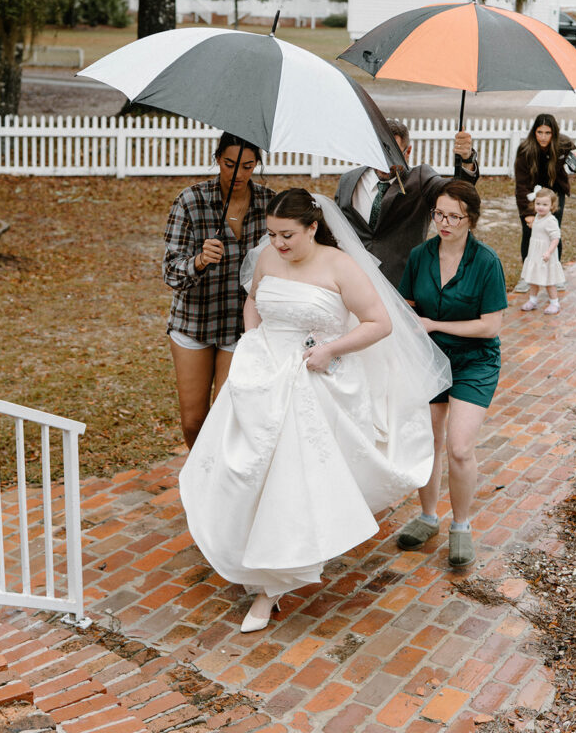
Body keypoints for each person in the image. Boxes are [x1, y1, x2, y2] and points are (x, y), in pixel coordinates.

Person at [179, 189, 451, 632]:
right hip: (261, 375)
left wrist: (330, 350)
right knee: (244, 471)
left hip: (315, 381)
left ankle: (271, 588)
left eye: (287, 235)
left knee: (289, 481)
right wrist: (253, 339)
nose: (278, 244)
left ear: (312, 228)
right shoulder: (268, 257)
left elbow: (379, 324)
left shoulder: (341, 266)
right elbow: (254, 299)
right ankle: (245, 549)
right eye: (271, 234)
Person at [396, 180, 507, 568]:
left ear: (470, 219)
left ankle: (461, 526)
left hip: (474, 360)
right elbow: (409, 305)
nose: (444, 222)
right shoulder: (420, 255)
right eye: (438, 214)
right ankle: (428, 517)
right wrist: (414, 323)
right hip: (429, 358)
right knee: (428, 439)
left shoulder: (487, 262)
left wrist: (434, 325)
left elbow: (490, 326)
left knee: (459, 446)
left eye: (453, 216)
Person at [162, 132, 273, 448]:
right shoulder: (190, 201)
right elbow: (170, 271)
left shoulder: (269, 203)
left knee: (227, 418)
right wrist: (198, 261)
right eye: (229, 164)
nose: (238, 175)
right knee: (194, 422)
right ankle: (202, 477)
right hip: (194, 323)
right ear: (217, 159)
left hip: (242, 327)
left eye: (248, 167)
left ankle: (218, 488)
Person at [335, 120, 479, 287]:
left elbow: (457, 191)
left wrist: (467, 160)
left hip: (401, 286)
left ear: (408, 151)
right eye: (380, 152)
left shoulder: (421, 180)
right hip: (351, 282)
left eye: (393, 155)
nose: (385, 162)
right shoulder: (348, 181)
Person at [513, 114, 575, 292]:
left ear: (553, 133)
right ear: (534, 132)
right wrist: (527, 214)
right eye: (539, 132)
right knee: (529, 235)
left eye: (547, 132)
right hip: (534, 196)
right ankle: (527, 277)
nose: (543, 137)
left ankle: (555, 277)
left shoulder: (563, 144)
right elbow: (521, 185)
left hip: (555, 195)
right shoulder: (525, 149)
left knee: (554, 234)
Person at [520, 187, 564, 315]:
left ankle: (555, 302)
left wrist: (549, 252)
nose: (541, 207)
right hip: (535, 254)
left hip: (546, 255)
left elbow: (556, 238)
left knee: (549, 280)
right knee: (533, 278)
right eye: (538, 204)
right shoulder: (537, 217)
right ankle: (532, 300)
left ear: (552, 205)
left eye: (545, 205)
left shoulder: (551, 221)